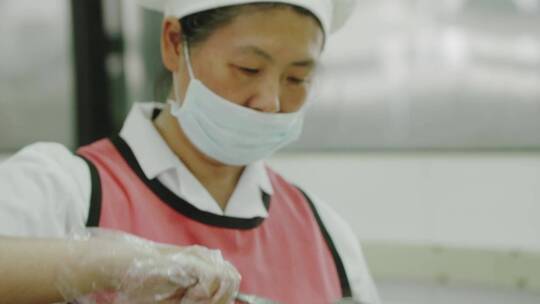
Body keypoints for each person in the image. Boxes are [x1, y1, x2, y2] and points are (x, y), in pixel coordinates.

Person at [0, 0, 380, 303]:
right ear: (172, 43)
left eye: (297, 78)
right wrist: (109, 265)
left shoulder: (323, 233)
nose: (270, 100)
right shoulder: (67, 190)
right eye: (247, 69)